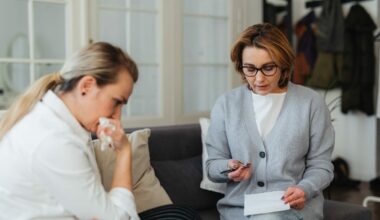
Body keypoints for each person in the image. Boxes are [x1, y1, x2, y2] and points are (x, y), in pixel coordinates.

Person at [0, 42, 200, 220]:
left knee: (181, 214)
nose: (117, 116)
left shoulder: (62, 123)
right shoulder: (55, 140)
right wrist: (124, 152)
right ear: (86, 86)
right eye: (116, 102)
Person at [205, 23, 334, 220]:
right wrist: (228, 168)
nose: (259, 78)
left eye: (268, 68)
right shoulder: (226, 104)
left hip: (293, 209)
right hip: (240, 210)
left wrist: (304, 189)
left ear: (283, 64)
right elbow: (212, 166)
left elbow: (322, 165)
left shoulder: (311, 103)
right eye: (250, 69)